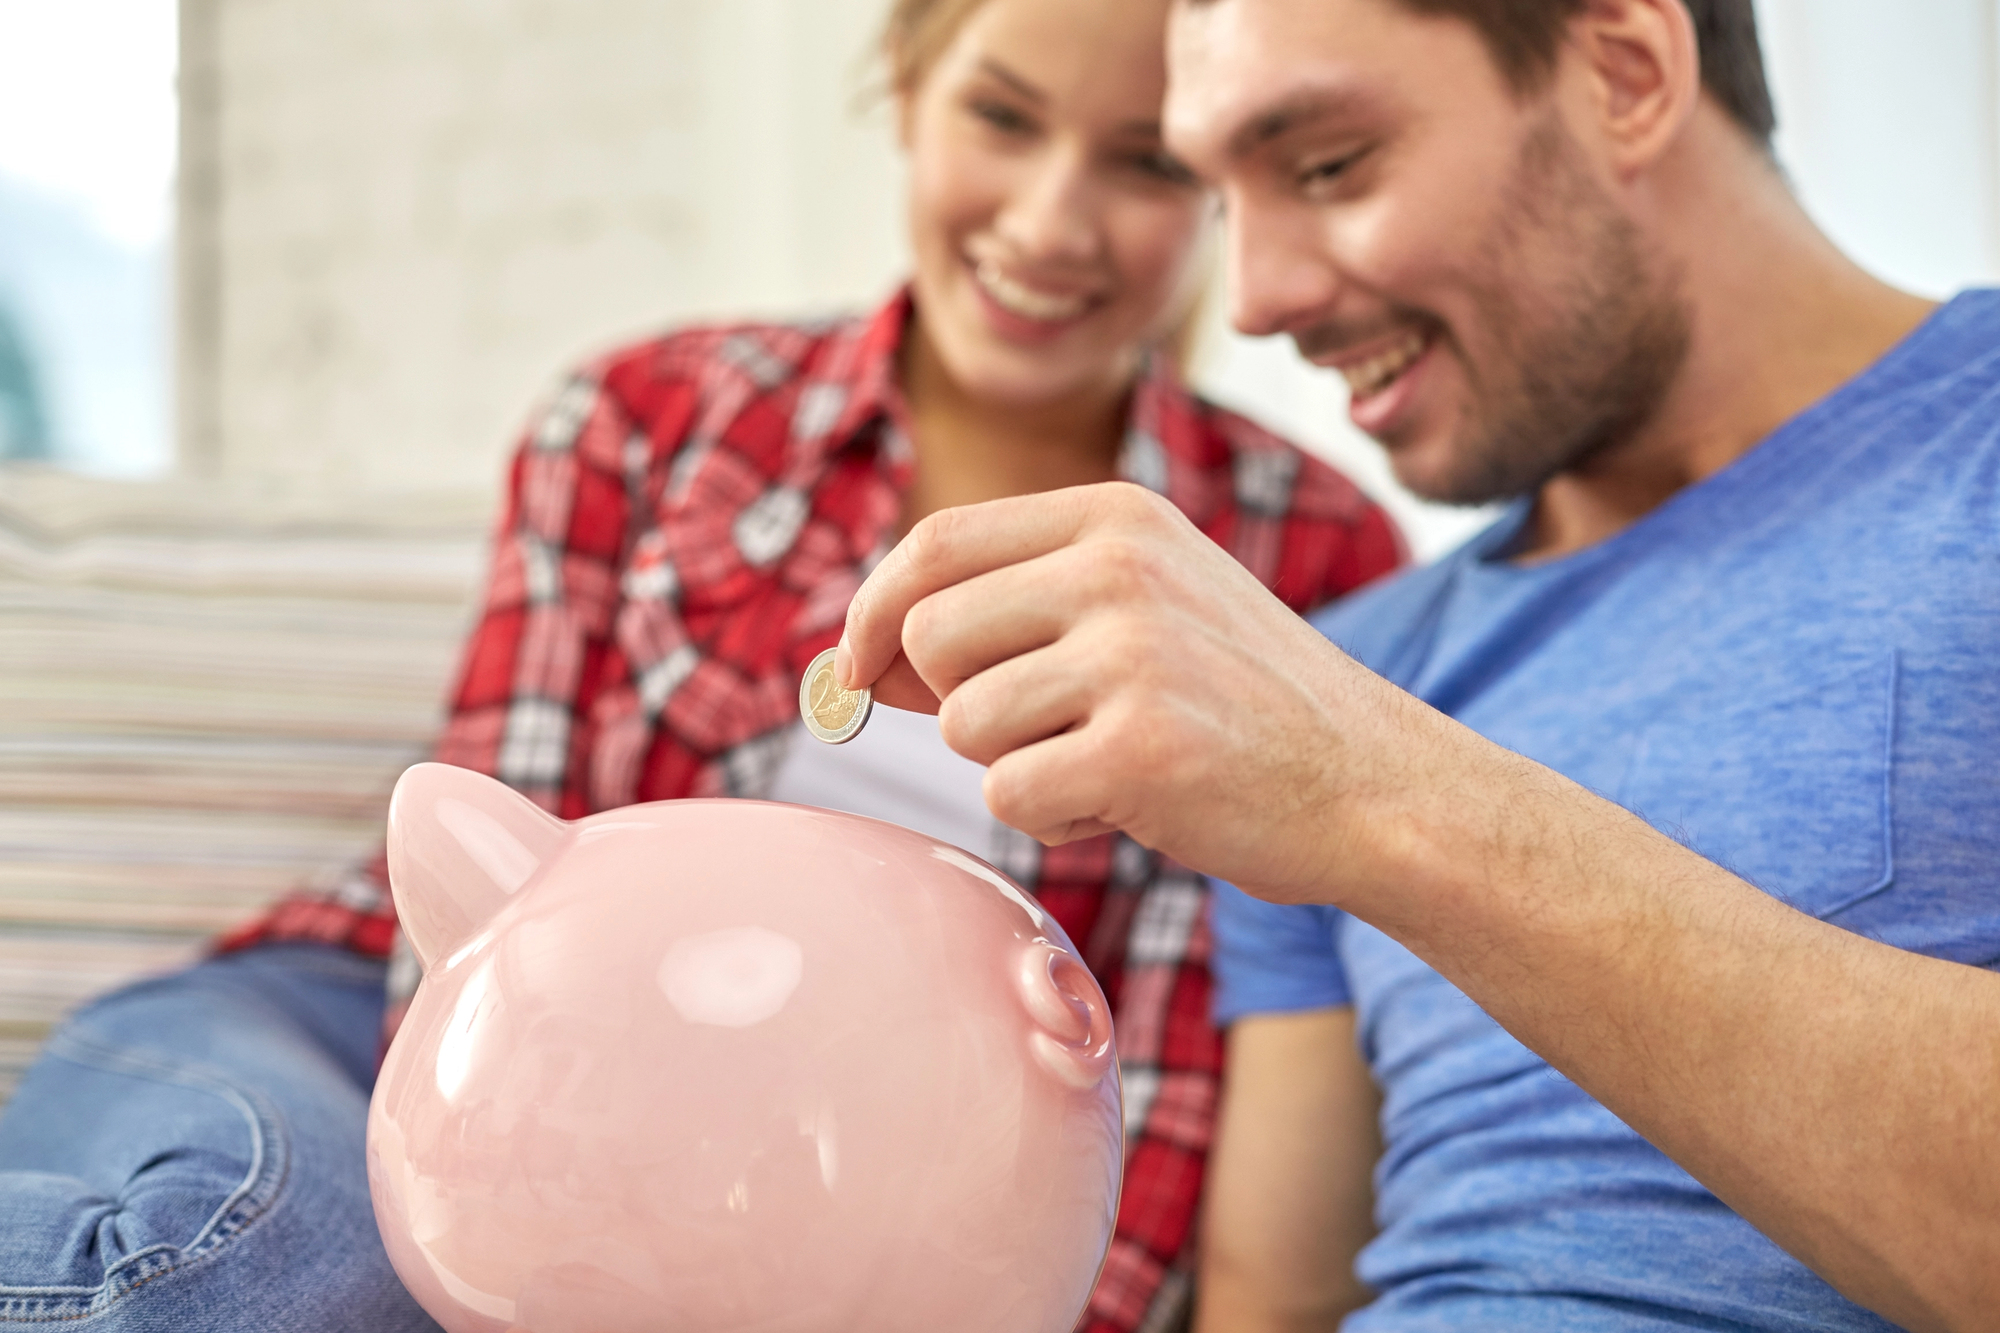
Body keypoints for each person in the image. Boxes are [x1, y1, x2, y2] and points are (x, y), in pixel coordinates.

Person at [0, 0, 1400, 1329]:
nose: (1049, 221)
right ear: (909, 97)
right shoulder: (648, 418)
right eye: (1002, 117)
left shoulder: (1301, 549)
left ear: (1220, 180)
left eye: (1145, 160)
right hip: (381, 1031)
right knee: (283, 1290)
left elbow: (1167, 1062)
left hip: (824, 1175)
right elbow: (491, 952)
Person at [831, 0, 2000, 1329]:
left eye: (1328, 166)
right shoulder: (1344, 664)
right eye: (1219, 192)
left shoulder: (1328, 733)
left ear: (1624, 72)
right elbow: (1272, 1308)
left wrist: (1373, 791)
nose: (1259, 297)